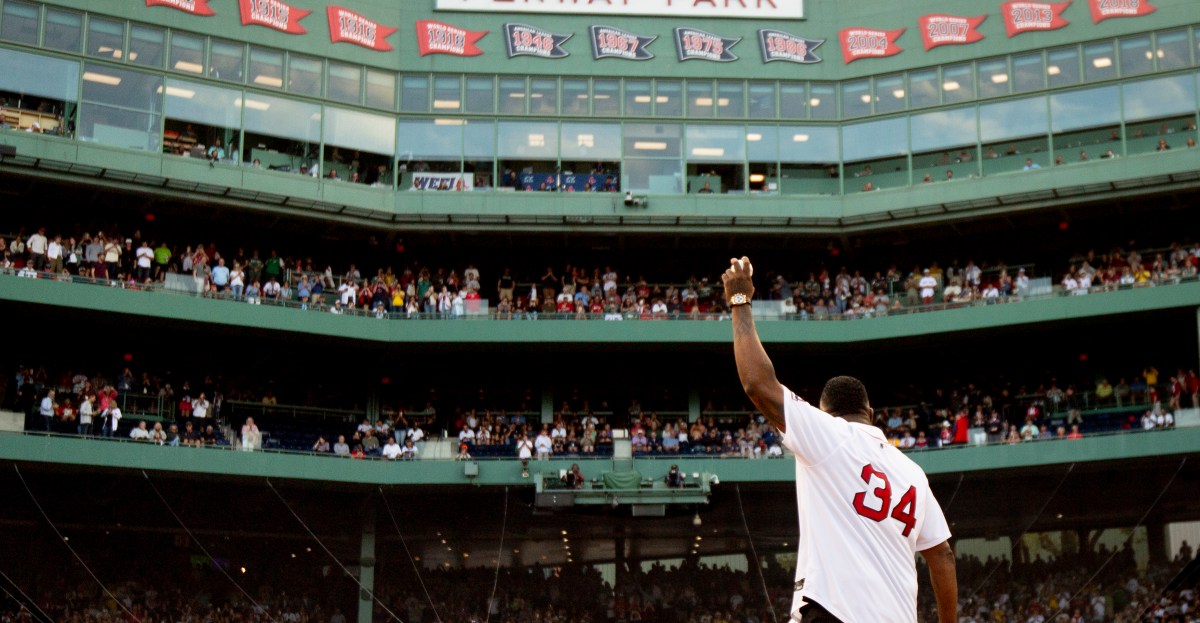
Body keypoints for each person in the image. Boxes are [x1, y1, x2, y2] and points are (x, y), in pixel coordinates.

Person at [722, 255, 957, 623]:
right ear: (872, 415)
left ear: (825, 411)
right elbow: (941, 555)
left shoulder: (829, 434)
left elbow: (758, 385)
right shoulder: (912, 472)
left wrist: (739, 301)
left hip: (837, 614)